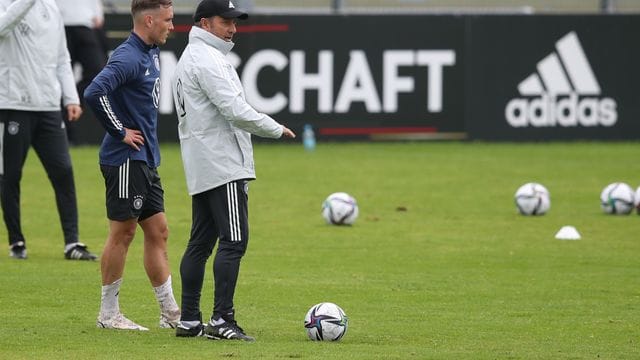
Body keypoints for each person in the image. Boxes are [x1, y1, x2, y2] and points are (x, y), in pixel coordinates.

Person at [171, 0, 296, 341]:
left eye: (234, 21)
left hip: (202, 163)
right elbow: (235, 110)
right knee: (234, 240)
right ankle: (221, 320)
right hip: (222, 163)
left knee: (199, 243)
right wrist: (274, 128)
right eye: (226, 21)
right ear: (205, 23)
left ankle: (190, 320)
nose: (233, 28)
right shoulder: (207, 60)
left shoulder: (192, 57)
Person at [83, 0, 180, 331]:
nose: (172, 25)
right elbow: (95, 92)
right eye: (167, 20)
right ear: (149, 20)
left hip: (145, 160)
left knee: (159, 230)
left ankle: (170, 314)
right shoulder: (128, 56)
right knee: (122, 232)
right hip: (125, 160)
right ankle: (108, 314)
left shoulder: (150, 50)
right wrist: (120, 131)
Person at [0, 0, 97, 261]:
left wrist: (70, 98)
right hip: (12, 104)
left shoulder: (51, 7)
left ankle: (72, 243)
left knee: (63, 171)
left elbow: (61, 56)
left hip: (48, 106)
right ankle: (16, 241)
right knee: (9, 175)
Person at [55, 0, 107, 145]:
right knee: (59, 79)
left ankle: (71, 106)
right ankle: (64, 133)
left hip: (85, 23)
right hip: (60, 24)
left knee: (97, 73)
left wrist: (97, 12)